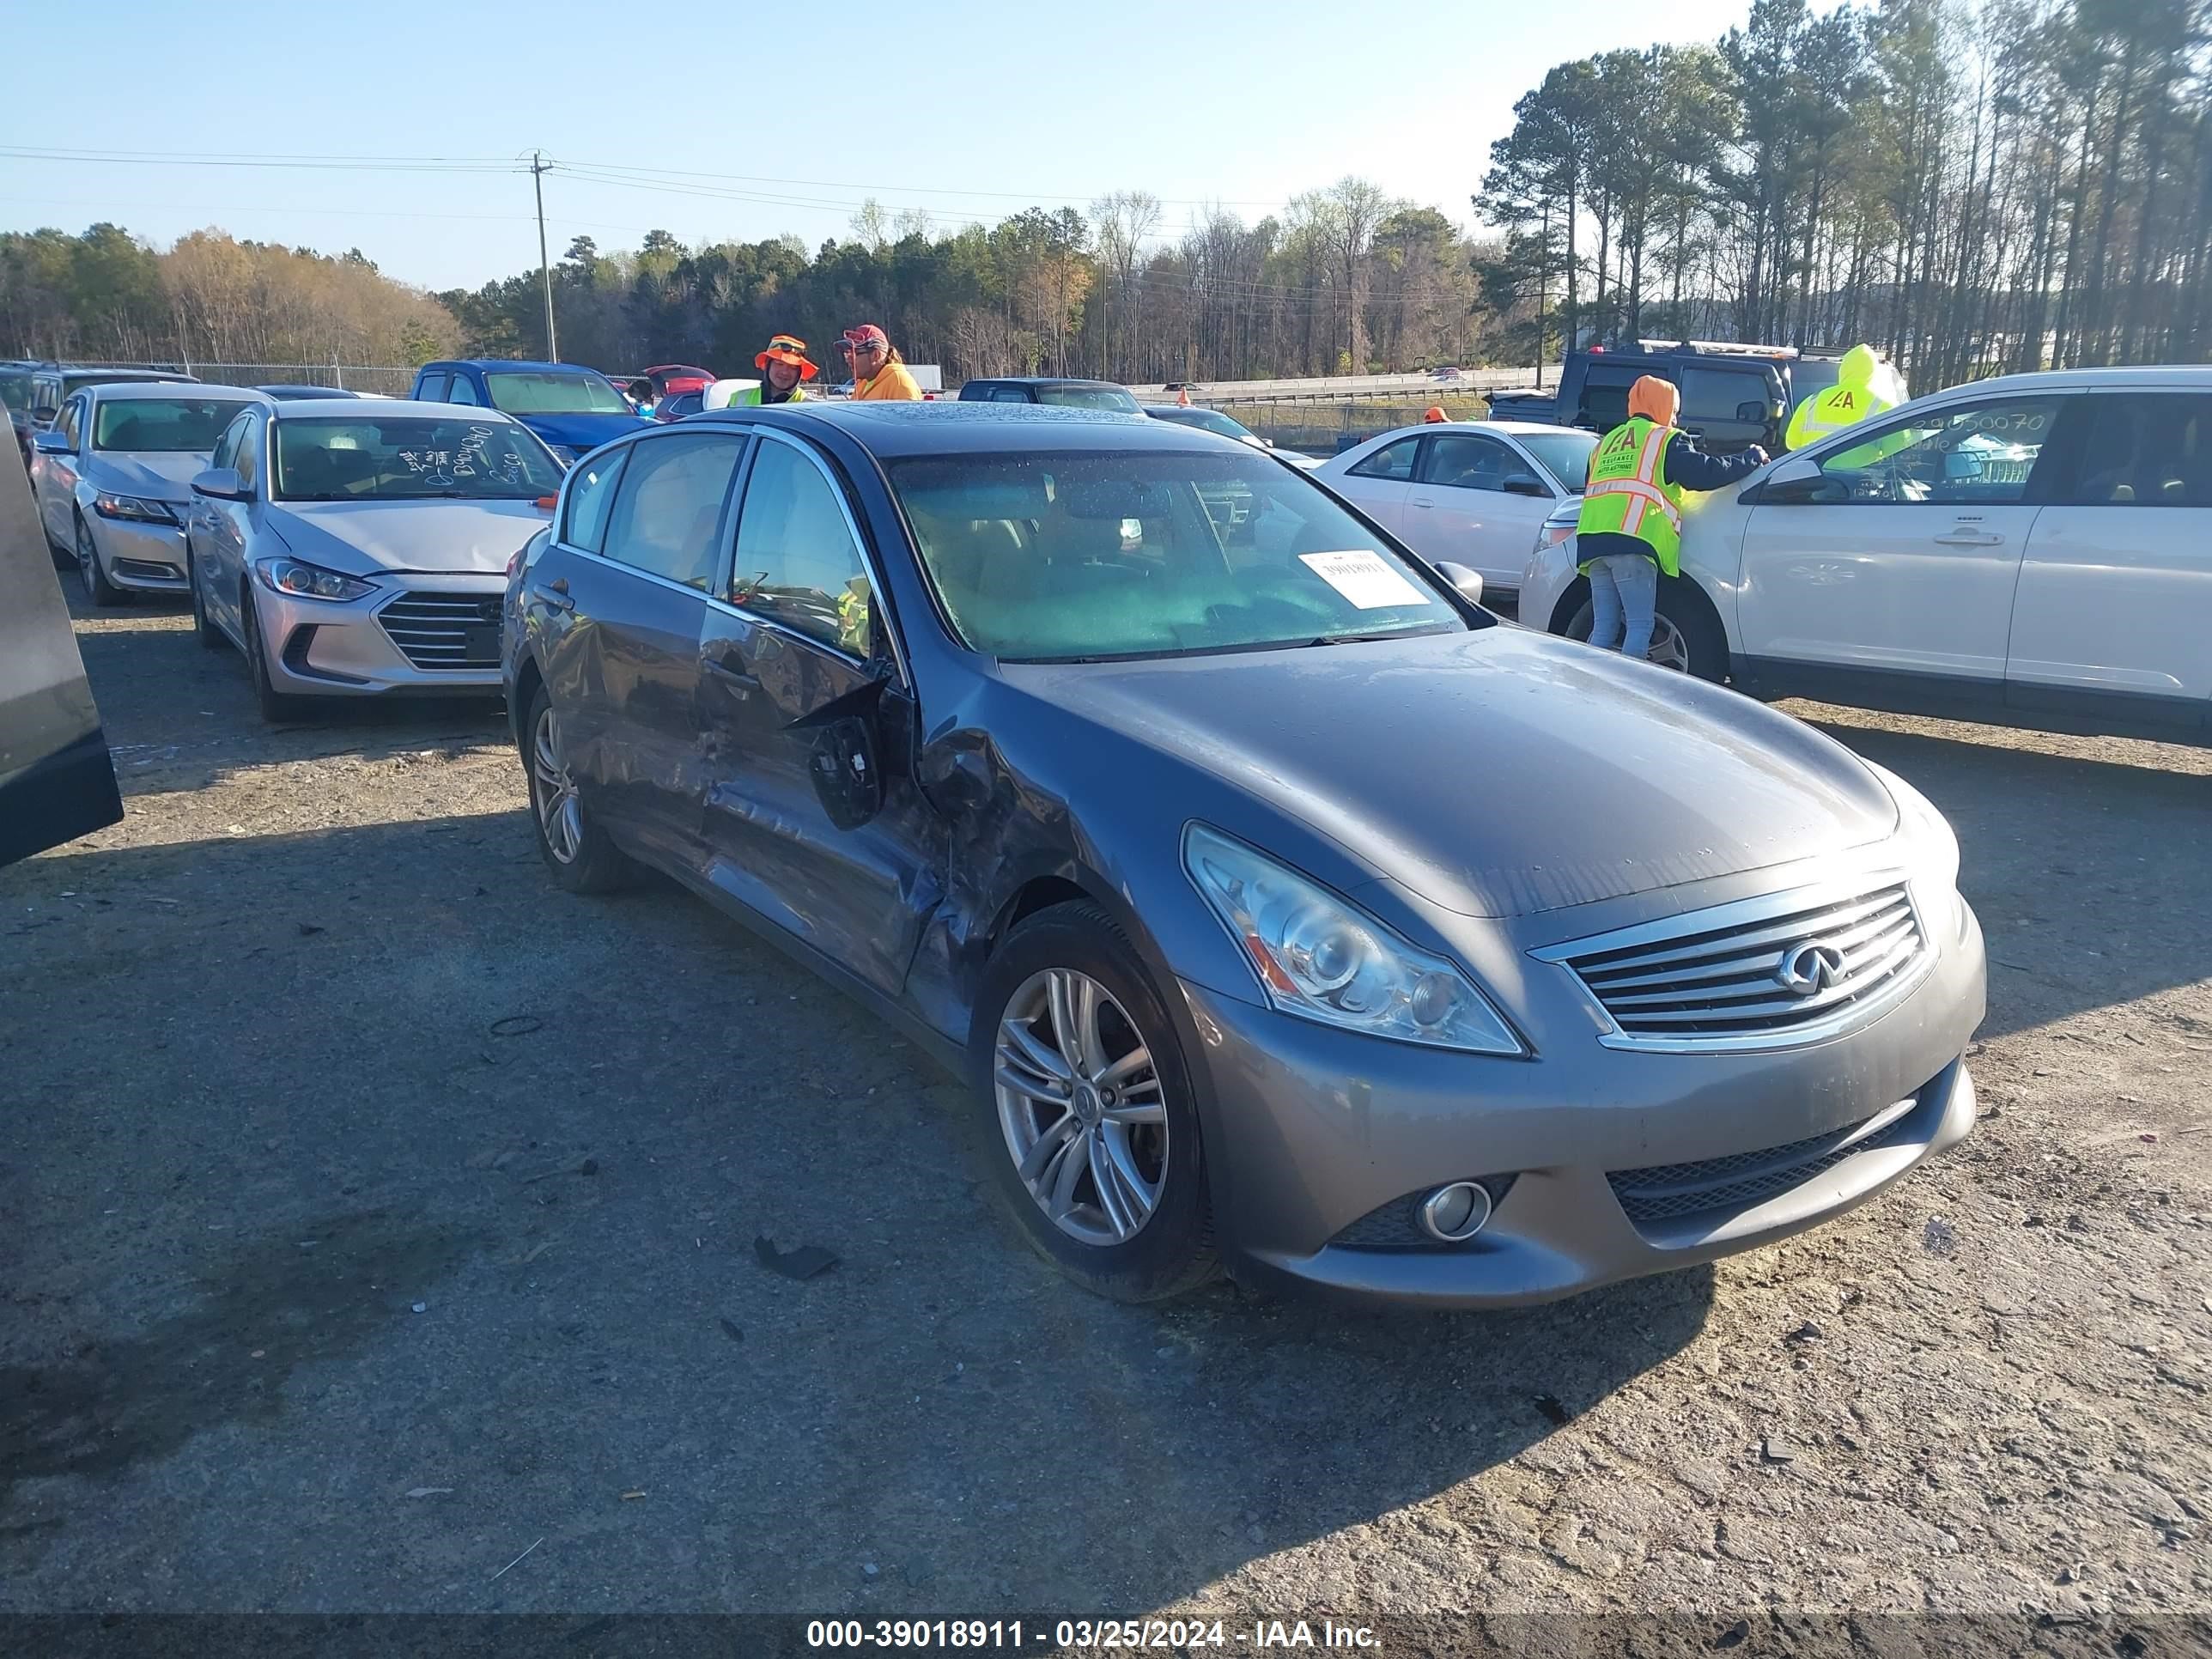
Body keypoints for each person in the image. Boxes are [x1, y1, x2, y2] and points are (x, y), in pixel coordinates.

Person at [1575, 374, 1765, 659]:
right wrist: (1751, 457)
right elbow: (1704, 473)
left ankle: (1591, 688)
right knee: (1640, 626)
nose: (1675, 419)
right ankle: (1629, 692)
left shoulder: (1605, 443)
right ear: (1660, 406)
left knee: (1604, 627)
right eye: (1673, 410)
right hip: (1633, 540)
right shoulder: (1665, 439)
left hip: (1592, 543)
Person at [1785, 343, 1899, 451]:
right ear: (1873, 372)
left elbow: (1791, 443)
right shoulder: (1885, 407)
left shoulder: (1813, 401)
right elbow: (1899, 448)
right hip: (1859, 471)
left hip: (1813, 470)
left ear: (1843, 369)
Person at [842, 324, 921, 401]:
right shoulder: (862, 383)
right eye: (847, 353)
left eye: (854, 353)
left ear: (876, 355)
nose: (848, 359)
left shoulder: (899, 384)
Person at [740, 334, 817, 405]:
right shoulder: (739, 400)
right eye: (779, 364)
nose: (785, 372)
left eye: (793, 367)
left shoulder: (808, 406)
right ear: (768, 365)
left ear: (799, 373)